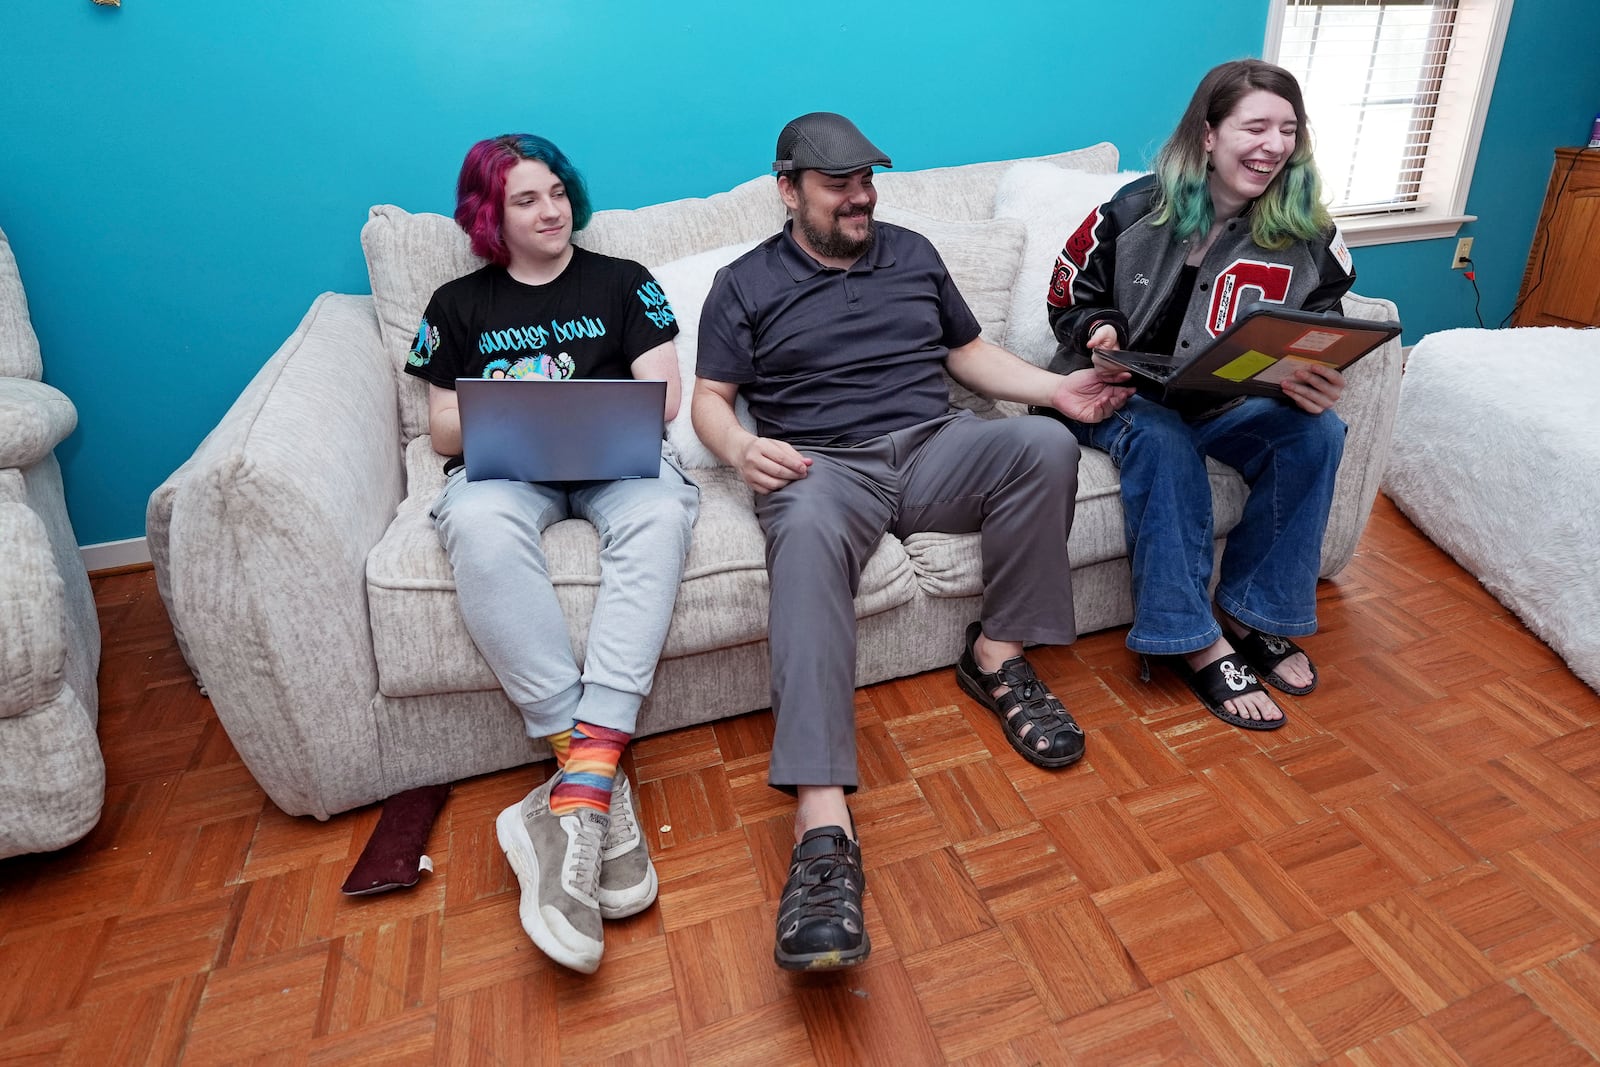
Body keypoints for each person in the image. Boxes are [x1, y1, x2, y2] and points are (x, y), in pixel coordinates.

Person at [692, 112, 1132, 971]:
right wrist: (742, 447)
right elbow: (710, 395)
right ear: (788, 189)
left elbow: (967, 353)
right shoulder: (743, 284)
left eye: (868, 180)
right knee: (808, 538)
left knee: (1043, 444)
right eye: (838, 185)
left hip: (933, 446)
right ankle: (822, 824)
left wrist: (1056, 392)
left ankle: (997, 655)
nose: (861, 198)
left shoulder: (912, 253)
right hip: (825, 468)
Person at [403, 134, 700, 974]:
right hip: (507, 471)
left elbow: (667, 395)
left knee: (662, 513)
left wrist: (585, 406)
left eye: (557, 191)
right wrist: (507, 402)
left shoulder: (623, 281)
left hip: (617, 464)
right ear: (489, 217)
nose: (551, 209)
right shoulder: (456, 304)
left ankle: (581, 779)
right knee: (481, 525)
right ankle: (591, 773)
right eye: (526, 200)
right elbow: (442, 429)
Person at [1042, 59, 1356, 731]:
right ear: (1209, 135)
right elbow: (1068, 293)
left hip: (1220, 400)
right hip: (1113, 394)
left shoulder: (1312, 234)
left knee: (1317, 432)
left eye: (1287, 130)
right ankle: (1192, 638)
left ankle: (1252, 611)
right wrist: (1099, 329)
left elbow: (1323, 322)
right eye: (1255, 126)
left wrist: (1314, 372)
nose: (1273, 145)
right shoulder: (1132, 209)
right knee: (1161, 437)